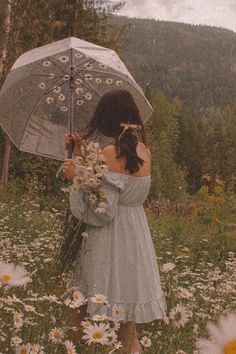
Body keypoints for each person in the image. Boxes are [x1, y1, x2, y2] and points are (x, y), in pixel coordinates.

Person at [62, 89, 167, 354]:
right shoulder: (145, 152)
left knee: (82, 315)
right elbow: (114, 182)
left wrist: (75, 176)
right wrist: (84, 154)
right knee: (127, 328)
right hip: (136, 239)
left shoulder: (109, 153)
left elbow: (102, 210)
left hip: (109, 240)